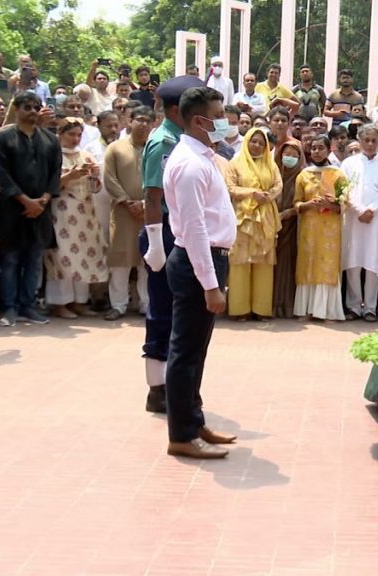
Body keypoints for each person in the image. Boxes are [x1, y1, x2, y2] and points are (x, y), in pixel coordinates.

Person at [162, 86, 238, 459]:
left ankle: (194, 420)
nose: (226, 122)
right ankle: (181, 434)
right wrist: (210, 285)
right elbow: (195, 229)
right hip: (197, 262)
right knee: (185, 352)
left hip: (207, 259)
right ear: (198, 121)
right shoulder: (190, 165)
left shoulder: (204, 156)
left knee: (196, 350)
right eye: (219, 116)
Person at [140, 75, 205, 414]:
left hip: (178, 229)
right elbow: (152, 196)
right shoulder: (163, 142)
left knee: (180, 312)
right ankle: (157, 388)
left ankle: (175, 385)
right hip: (163, 230)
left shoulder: (183, 139)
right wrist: (155, 243)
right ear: (178, 110)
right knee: (162, 311)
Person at [0, 92, 59, 327]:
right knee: (10, 260)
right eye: (27, 107)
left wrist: (44, 200)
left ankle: (28, 306)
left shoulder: (50, 140)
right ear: (17, 109)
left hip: (41, 210)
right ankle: (9, 307)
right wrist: (26, 201)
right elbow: (2, 174)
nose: (32, 111)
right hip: (12, 209)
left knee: (34, 259)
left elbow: (55, 174)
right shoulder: (3, 138)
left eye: (36, 107)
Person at [45, 118, 107, 319]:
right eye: (71, 134)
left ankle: (79, 301)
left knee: (84, 255)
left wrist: (95, 176)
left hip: (85, 213)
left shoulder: (86, 155)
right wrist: (70, 176)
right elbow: (48, 185)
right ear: (60, 134)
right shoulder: (53, 155)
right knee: (62, 256)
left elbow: (95, 189)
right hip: (62, 211)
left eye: (79, 135)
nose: (75, 139)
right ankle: (59, 303)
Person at [224, 127, 282, 320]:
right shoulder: (235, 164)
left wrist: (268, 196)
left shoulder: (271, 164)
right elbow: (230, 187)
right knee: (240, 261)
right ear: (246, 142)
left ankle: (261, 309)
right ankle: (239, 309)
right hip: (243, 218)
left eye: (261, 143)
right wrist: (251, 193)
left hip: (265, 217)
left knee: (263, 263)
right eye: (253, 141)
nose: (256, 146)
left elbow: (278, 185)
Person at [341, 124, 378, 322]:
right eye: (366, 140)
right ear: (360, 140)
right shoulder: (348, 164)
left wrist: (372, 210)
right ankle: (354, 306)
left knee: (373, 263)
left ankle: (370, 307)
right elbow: (343, 190)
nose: (370, 144)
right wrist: (359, 210)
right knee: (353, 262)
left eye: (374, 140)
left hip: (377, 221)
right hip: (354, 220)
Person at [103, 106, 153, 321]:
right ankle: (118, 305)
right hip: (122, 212)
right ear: (129, 121)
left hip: (150, 212)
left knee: (147, 260)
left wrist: (144, 203)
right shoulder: (115, 148)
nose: (143, 124)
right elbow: (109, 177)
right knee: (120, 260)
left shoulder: (156, 147)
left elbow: (163, 179)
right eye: (139, 119)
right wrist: (125, 200)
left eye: (148, 121)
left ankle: (146, 304)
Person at [293, 135, 346, 321]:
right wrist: (308, 205)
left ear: (329, 149)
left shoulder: (338, 174)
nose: (316, 152)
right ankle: (306, 309)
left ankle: (326, 311)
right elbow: (296, 203)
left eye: (320, 148)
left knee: (327, 265)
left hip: (330, 229)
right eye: (314, 148)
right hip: (308, 228)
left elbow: (345, 204)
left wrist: (330, 204)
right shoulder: (303, 175)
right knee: (307, 263)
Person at [273, 140, 303, 318]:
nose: (289, 158)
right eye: (286, 154)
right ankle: (272, 304)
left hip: (293, 227)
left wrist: (287, 213)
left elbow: (304, 200)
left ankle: (287, 305)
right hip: (273, 227)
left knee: (288, 265)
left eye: (294, 155)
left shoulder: (303, 176)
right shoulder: (274, 174)